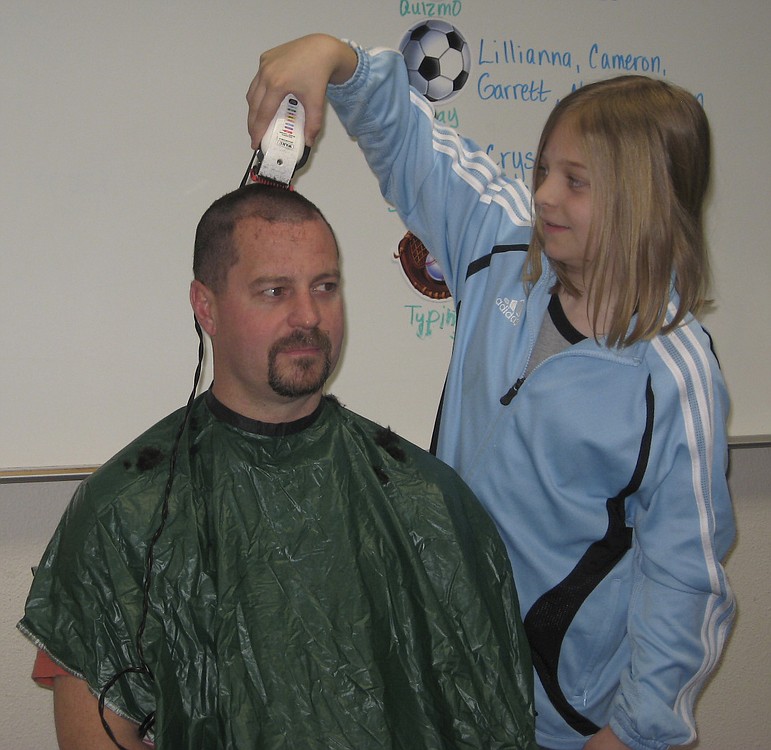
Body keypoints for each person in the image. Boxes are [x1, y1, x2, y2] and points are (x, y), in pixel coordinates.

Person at [245, 35, 737, 750]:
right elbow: (410, 142)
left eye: (575, 181)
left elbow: (685, 580)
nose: (542, 194)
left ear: (644, 200)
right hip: (438, 681)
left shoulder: (673, 374)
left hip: (559, 720)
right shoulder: (502, 242)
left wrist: (632, 733)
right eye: (542, 169)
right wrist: (334, 59)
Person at [18, 184, 538, 750]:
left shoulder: (425, 499)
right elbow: (94, 737)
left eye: (325, 287)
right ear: (206, 307)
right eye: (274, 291)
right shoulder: (125, 513)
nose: (308, 316)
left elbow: (491, 716)